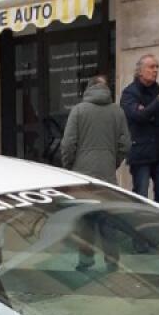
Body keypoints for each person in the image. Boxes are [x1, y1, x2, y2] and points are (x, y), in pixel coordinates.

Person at [60, 75, 130, 272]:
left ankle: (86, 260)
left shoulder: (78, 111)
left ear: (87, 89)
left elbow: (67, 144)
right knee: (107, 219)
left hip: (82, 175)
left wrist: (70, 167)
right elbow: (125, 144)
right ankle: (112, 261)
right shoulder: (117, 112)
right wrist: (112, 162)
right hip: (107, 174)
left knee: (85, 218)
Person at [120, 53, 159, 205]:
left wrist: (151, 115)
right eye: (151, 67)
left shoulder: (157, 89)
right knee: (141, 195)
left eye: (157, 67)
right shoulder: (130, 93)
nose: (155, 70)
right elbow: (138, 116)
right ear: (140, 71)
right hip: (140, 152)